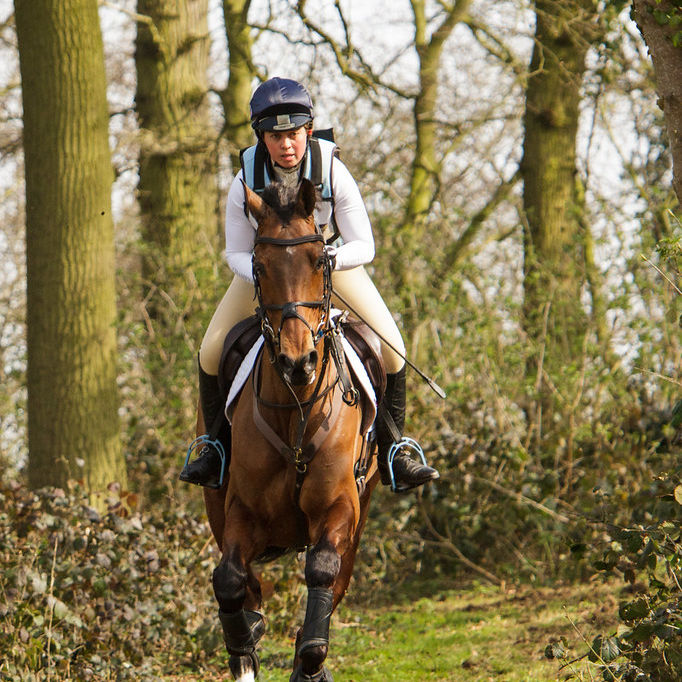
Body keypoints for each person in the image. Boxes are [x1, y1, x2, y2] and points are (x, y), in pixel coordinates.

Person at [179, 77, 439, 493]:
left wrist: (324, 262)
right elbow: (234, 253)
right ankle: (214, 448)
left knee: (394, 348)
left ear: (308, 130)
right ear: (261, 137)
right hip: (265, 275)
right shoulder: (242, 178)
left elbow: (365, 244)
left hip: (331, 265)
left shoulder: (332, 169)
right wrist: (269, 276)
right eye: (276, 135)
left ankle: (394, 451)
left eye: (294, 134)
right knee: (211, 350)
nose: (287, 144)